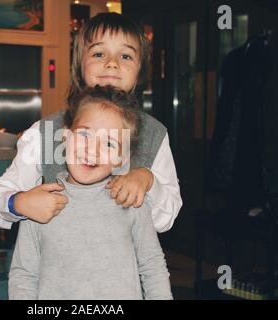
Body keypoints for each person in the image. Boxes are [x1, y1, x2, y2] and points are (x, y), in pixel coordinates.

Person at [0, 12, 182, 233]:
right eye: (98, 53)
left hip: (125, 267)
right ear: (79, 64)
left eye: (125, 56)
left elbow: (166, 220)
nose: (112, 63)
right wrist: (17, 203)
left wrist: (148, 180)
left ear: (140, 70)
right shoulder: (45, 133)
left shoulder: (154, 135)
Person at [9, 86, 172, 300]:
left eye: (109, 143)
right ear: (66, 137)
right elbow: (24, 275)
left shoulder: (130, 201)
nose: (92, 150)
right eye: (85, 134)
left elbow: (153, 268)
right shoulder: (39, 203)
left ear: (122, 158)